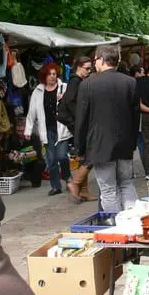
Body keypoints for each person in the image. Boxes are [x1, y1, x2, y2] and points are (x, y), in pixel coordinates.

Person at [75, 45, 140, 213]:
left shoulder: (88, 84)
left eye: (95, 60)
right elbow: (135, 117)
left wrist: (79, 148)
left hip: (100, 144)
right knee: (126, 183)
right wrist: (133, 143)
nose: (94, 64)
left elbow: (81, 120)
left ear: (102, 60)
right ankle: (131, 220)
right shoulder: (130, 82)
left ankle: (117, 226)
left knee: (108, 189)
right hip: (125, 142)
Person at [24, 63, 72, 196]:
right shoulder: (38, 91)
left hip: (61, 127)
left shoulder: (64, 88)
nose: (52, 77)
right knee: (51, 159)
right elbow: (31, 111)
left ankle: (68, 178)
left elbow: (73, 105)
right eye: (50, 74)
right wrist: (28, 130)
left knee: (62, 156)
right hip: (47, 129)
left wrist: (64, 100)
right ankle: (56, 186)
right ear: (44, 76)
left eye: (54, 74)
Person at [56, 56, 96, 202]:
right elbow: (70, 101)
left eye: (89, 69)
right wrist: (80, 119)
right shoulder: (75, 81)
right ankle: (76, 183)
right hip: (78, 124)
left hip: (77, 124)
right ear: (78, 67)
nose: (88, 71)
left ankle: (83, 189)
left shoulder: (77, 81)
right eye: (86, 68)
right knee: (90, 155)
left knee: (84, 156)